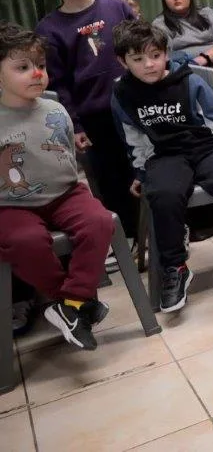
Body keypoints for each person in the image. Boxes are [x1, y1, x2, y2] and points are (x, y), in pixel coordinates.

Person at [110, 20, 213, 312]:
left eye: (155, 55)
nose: (149, 64)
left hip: (206, 147)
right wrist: (142, 173)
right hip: (164, 155)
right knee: (164, 195)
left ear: (165, 54)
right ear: (123, 62)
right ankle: (176, 267)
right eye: (138, 59)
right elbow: (134, 139)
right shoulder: (122, 95)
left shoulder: (189, 81)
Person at [0, 22, 114, 350]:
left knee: (99, 221)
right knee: (25, 241)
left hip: (65, 193)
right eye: (23, 67)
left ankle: (71, 304)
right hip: (12, 204)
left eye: (40, 65)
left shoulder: (56, 109)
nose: (37, 73)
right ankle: (72, 301)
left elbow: (65, 153)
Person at [34, 0, 140, 247]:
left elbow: (144, 46)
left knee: (148, 168)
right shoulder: (49, 29)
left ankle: (163, 233)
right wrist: (75, 124)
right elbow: (58, 84)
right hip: (94, 118)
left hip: (135, 105)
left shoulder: (117, 8)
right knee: (111, 180)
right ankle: (127, 240)